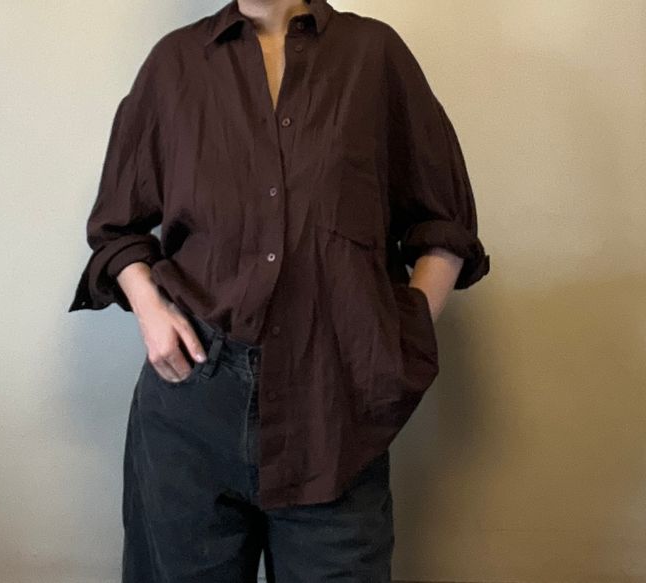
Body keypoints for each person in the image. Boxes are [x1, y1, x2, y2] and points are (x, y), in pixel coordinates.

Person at [68, 0, 490, 581]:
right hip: (193, 402)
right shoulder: (175, 64)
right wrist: (150, 310)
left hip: (336, 411)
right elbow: (118, 227)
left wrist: (406, 327)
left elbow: (444, 219)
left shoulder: (374, 55)